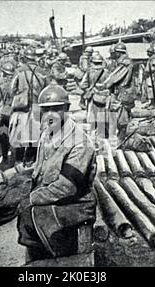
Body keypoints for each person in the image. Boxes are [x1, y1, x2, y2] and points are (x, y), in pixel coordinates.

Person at [17, 84, 96, 263]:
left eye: (56, 109)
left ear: (66, 109)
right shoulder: (48, 134)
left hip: (74, 206)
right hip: (50, 199)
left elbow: (66, 187)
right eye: (45, 110)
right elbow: (39, 170)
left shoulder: (80, 143)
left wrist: (32, 198)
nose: (49, 115)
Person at [9, 47, 47, 166]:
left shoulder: (19, 71)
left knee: (20, 135)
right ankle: (31, 161)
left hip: (21, 108)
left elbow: (11, 89)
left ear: (25, 58)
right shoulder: (42, 71)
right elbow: (46, 90)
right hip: (37, 106)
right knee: (35, 135)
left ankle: (19, 162)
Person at [103, 42, 136, 141]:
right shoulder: (121, 62)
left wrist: (105, 85)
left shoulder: (125, 63)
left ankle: (121, 140)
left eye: (114, 53)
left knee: (122, 117)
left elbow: (114, 77)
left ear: (118, 53)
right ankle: (120, 137)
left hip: (124, 93)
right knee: (119, 115)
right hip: (121, 92)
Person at [79, 54, 111, 139]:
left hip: (93, 98)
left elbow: (82, 85)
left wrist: (90, 89)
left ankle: (92, 137)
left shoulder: (89, 71)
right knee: (103, 116)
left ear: (92, 62)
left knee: (92, 118)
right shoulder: (107, 72)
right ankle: (103, 136)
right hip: (104, 99)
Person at [0, 62, 16, 166]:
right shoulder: (15, 83)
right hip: (13, 111)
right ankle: (12, 159)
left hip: (2, 111)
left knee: (2, 135)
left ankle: (5, 158)